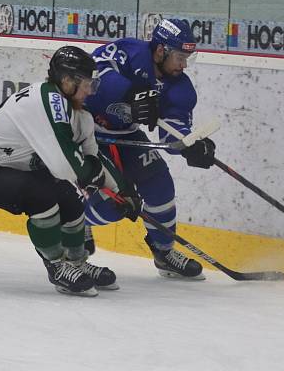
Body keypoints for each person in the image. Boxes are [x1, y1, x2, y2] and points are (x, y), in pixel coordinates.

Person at [0, 46, 139, 296]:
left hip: (18, 168)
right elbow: (64, 166)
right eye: (87, 84)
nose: (90, 91)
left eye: (92, 84)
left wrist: (123, 191)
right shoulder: (47, 99)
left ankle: (76, 263)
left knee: (71, 197)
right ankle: (56, 266)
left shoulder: (79, 115)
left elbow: (92, 157)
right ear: (66, 81)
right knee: (41, 195)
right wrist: (94, 176)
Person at [82, 18, 216, 280]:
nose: (183, 64)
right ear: (160, 50)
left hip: (127, 136)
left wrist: (190, 146)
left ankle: (164, 253)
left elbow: (172, 136)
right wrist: (131, 93)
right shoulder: (128, 51)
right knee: (113, 203)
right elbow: (94, 75)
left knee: (160, 184)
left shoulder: (180, 88)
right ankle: (75, 226)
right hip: (87, 133)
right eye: (179, 56)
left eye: (188, 57)